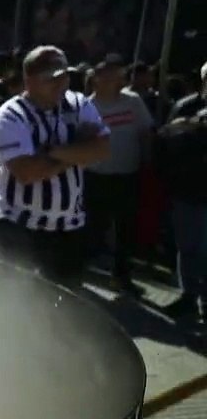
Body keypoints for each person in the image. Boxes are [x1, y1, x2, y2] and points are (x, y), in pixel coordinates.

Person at [0, 46, 111, 289]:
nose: (60, 84)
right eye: (50, 79)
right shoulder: (10, 116)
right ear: (29, 81)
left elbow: (102, 150)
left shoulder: (78, 104)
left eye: (64, 76)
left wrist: (53, 152)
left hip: (69, 229)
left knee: (64, 305)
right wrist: (78, 151)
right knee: (16, 302)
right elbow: (27, 172)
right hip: (20, 228)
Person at [85, 54, 153, 296]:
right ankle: (81, 272)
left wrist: (147, 160)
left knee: (126, 229)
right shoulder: (88, 107)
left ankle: (121, 277)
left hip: (128, 174)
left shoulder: (133, 102)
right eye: (110, 76)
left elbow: (145, 132)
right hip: (97, 176)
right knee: (93, 227)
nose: (117, 80)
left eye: (118, 76)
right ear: (97, 80)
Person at [155, 63, 207, 328]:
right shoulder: (186, 107)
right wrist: (189, 127)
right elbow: (164, 138)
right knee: (188, 247)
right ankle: (189, 296)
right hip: (188, 189)